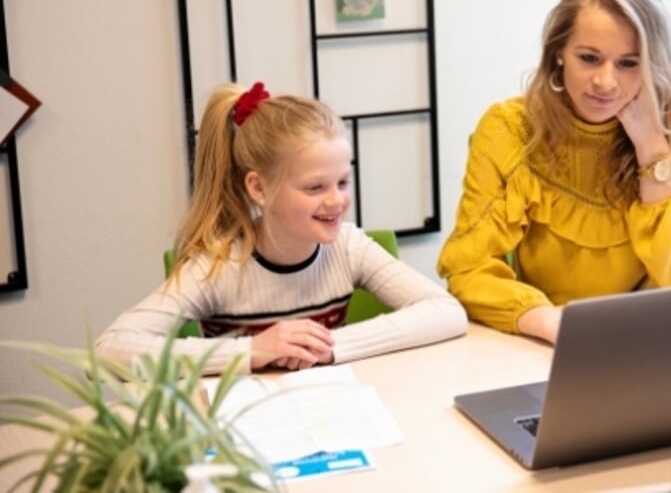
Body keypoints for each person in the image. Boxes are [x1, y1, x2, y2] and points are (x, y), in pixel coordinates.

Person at [437, 0, 671, 344]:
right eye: (589, 58)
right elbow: (467, 268)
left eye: (628, 63)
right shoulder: (509, 128)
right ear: (558, 51)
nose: (605, 82)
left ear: (654, 62)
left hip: (651, 345)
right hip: (543, 342)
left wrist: (653, 153)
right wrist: (549, 323)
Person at [96, 82, 467, 375]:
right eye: (314, 187)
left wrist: (330, 346)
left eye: (342, 182)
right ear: (259, 188)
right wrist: (252, 351)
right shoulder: (219, 266)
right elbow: (109, 350)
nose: (337, 201)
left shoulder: (350, 247)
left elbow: (446, 311)